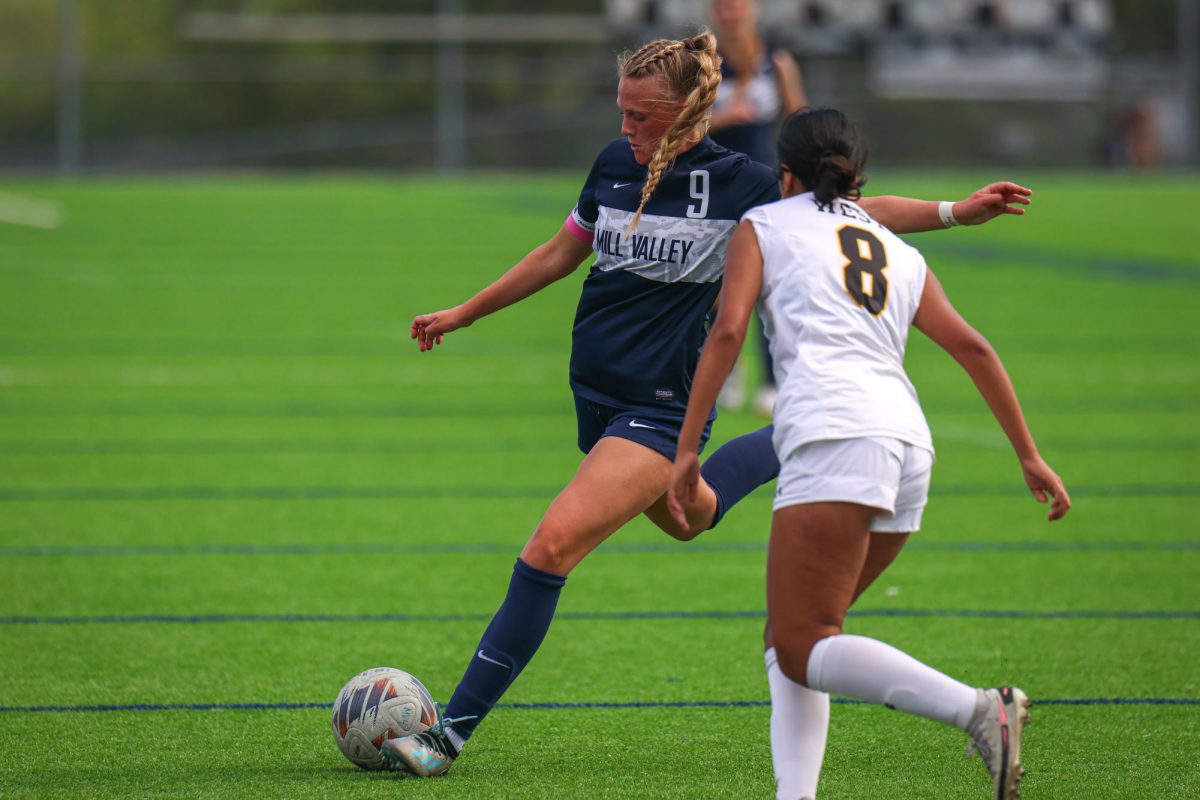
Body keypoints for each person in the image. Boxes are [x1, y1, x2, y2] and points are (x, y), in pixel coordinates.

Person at [384, 33, 1034, 779]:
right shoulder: (612, 165)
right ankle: (784, 441)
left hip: (658, 408)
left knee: (550, 547)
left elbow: (854, 211)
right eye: (622, 112)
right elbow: (561, 251)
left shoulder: (740, 185)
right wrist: (465, 312)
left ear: (689, 116)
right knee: (689, 517)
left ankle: (449, 734)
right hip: (595, 395)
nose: (627, 129)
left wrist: (955, 210)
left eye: (643, 117)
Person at [667, 108, 1070, 800]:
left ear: (784, 173)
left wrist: (684, 449)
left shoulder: (761, 226)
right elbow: (973, 346)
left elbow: (730, 331)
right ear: (856, 176)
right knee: (798, 639)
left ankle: (979, 709)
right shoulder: (895, 249)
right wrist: (1028, 455)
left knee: (801, 644)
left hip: (835, 436)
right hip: (908, 448)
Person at [707, 0, 807, 416]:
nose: (731, 12)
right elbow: (678, 124)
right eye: (722, 5)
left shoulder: (776, 59)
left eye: (738, 4)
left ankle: (771, 380)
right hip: (712, 186)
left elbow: (799, 118)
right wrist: (723, 118)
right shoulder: (701, 61)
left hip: (763, 188)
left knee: (769, 285)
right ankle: (724, 373)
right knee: (713, 284)